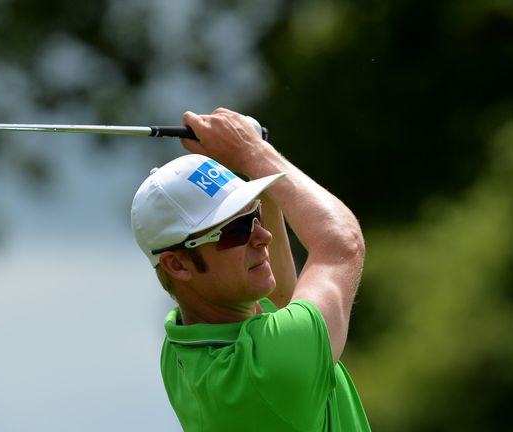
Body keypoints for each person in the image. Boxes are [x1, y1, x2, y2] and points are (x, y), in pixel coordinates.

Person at [130, 108, 370, 431]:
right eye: (236, 230)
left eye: (256, 213)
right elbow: (342, 244)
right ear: (178, 264)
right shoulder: (266, 370)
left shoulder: (180, 350)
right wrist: (253, 151)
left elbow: (285, 303)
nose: (263, 235)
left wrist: (255, 172)